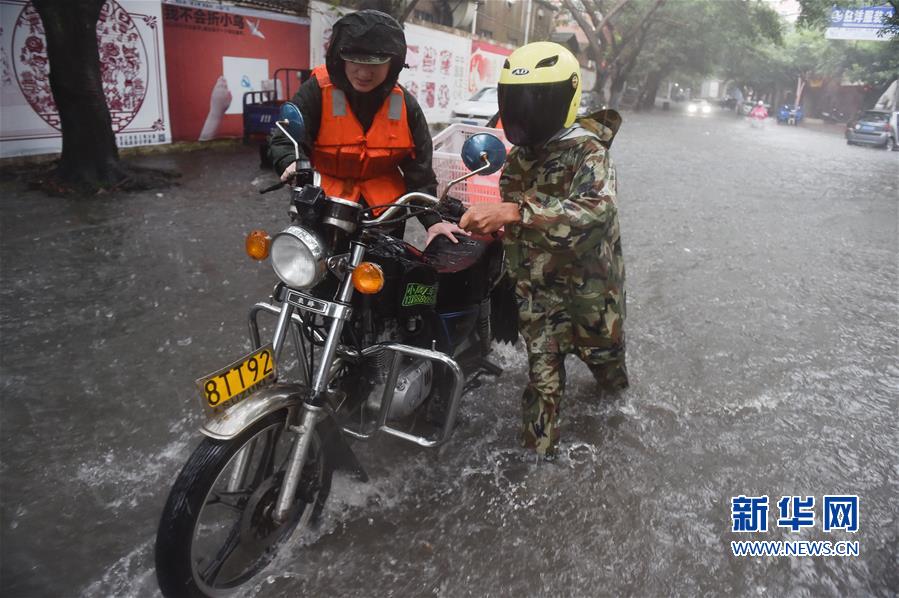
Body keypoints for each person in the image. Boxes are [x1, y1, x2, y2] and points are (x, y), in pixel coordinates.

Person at [459, 42, 628, 458]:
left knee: (609, 377)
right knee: (542, 386)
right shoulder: (518, 157)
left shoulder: (589, 151)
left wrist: (514, 212)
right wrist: (488, 234)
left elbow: (596, 213)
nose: (525, 112)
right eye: (518, 101)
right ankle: (537, 466)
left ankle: (620, 431)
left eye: (536, 101)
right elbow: (515, 225)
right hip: (538, 293)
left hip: (591, 296)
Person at [268, 10, 464, 245]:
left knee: (385, 275)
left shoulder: (405, 105)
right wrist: (289, 160)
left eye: (375, 64)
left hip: (385, 214)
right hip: (324, 207)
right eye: (355, 61)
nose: (363, 73)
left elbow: (419, 171)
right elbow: (286, 136)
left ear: (394, 62)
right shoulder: (316, 92)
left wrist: (434, 220)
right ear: (339, 57)